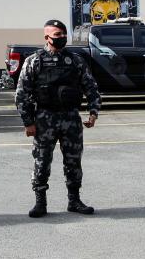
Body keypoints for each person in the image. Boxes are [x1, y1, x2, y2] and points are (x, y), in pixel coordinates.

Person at [15, 19, 101, 218]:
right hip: (45, 118)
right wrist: (28, 122)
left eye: (63, 34)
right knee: (42, 161)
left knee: (73, 161)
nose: (62, 38)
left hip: (71, 117)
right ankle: (40, 202)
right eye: (57, 35)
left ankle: (74, 200)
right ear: (46, 37)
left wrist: (94, 111)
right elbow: (22, 94)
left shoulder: (75, 60)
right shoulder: (35, 61)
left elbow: (91, 87)